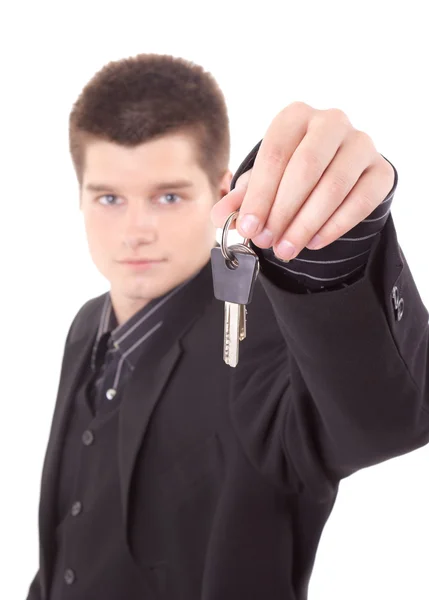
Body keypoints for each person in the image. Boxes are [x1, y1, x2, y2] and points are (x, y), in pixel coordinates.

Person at [27, 53, 429, 600]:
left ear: (222, 195)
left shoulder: (266, 333)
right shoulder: (83, 327)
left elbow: (382, 421)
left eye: (169, 196)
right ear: (79, 198)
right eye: (109, 198)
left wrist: (332, 255)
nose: (135, 231)